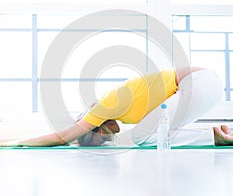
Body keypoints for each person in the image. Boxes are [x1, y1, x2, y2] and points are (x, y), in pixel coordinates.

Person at [0, 66, 224, 147]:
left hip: (199, 84)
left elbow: (62, 137)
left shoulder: (102, 107)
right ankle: (220, 134)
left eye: (99, 138)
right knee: (156, 134)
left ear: (93, 125)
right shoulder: (120, 112)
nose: (107, 138)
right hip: (205, 88)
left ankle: (216, 138)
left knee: (140, 139)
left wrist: (16, 143)